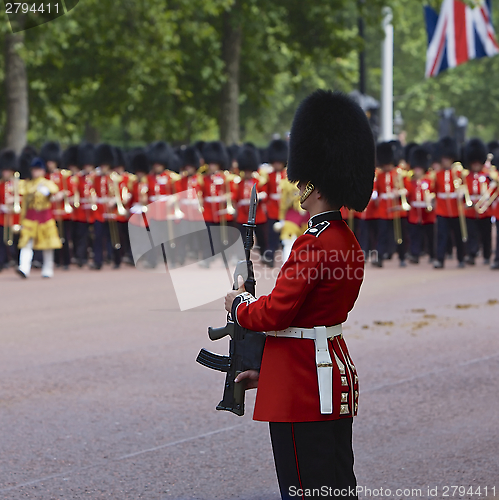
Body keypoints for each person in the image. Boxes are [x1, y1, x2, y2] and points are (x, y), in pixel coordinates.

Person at [224, 90, 375, 500]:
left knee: (306, 490)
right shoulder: (345, 238)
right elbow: (314, 317)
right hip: (328, 374)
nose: (298, 187)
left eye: (304, 181)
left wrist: (240, 307)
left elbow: (278, 312)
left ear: (317, 185)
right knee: (337, 486)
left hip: (303, 386)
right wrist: (268, 368)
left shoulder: (314, 243)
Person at [17, 157, 63, 278]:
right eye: (33, 170)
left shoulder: (48, 183)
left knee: (48, 244)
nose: (35, 172)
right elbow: (24, 202)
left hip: (44, 216)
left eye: (37, 170)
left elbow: (56, 194)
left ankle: (47, 268)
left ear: (42, 171)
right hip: (31, 216)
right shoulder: (27, 184)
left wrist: (51, 194)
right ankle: (24, 268)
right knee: (26, 242)